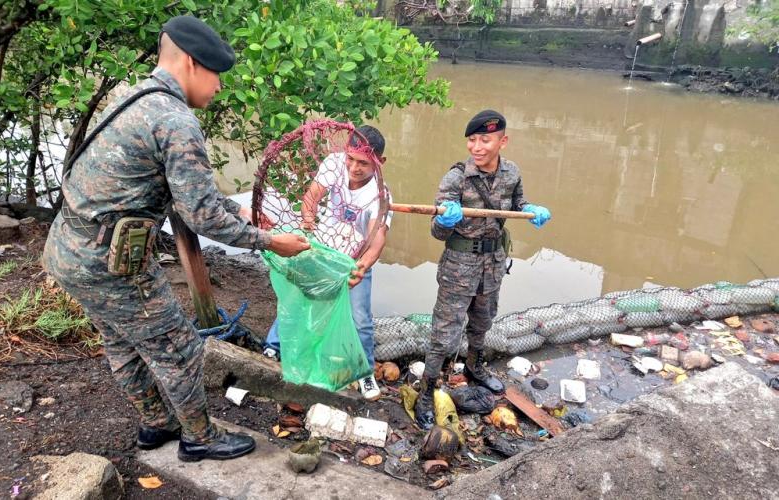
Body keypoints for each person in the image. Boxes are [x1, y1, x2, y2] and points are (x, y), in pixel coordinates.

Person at [42, 15, 310, 462]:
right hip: (110, 262)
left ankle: (156, 424)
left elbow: (191, 195)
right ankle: (200, 438)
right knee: (180, 349)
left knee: (123, 343)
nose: (220, 87)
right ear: (190, 63)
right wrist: (269, 240)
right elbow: (202, 216)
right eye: (217, 75)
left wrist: (236, 208)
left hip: (69, 250)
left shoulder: (133, 97)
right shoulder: (175, 120)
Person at [414, 110, 551, 429]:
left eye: (485, 140)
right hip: (459, 265)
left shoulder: (512, 173)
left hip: (493, 262)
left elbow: (518, 206)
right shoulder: (456, 177)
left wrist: (530, 211)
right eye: (472, 140)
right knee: (444, 332)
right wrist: (445, 219)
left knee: (483, 320)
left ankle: (475, 367)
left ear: (503, 141)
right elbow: (437, 231)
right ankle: (426, 390)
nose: (477, 146)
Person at [262, 125, 392, 401]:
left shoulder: (381, 196)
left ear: (380, 163)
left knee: (360, 318)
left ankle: (364, 371)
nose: (354, 168)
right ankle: (274, 346)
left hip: (353, 259)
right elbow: (311, 197)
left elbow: (377, 237)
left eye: (364, 163)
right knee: (297, 298)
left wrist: (362, 266)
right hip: (323, 248)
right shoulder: (334, 164)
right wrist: (308, 222)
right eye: (351, 159)